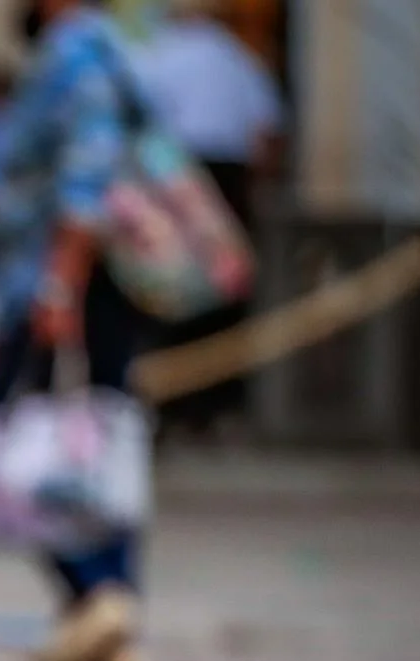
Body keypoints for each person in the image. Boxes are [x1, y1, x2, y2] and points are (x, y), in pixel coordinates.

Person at [0, 0, 152, 661]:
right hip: (65, 277)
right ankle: (100, 609)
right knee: (89, 439)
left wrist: (58, 286)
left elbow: (88, 177)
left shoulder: (80, 54)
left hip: (62, 279)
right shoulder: (95, 51)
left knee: (23, 434)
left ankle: (102, 594)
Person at [130, 0, 282, 433]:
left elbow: (139, 128)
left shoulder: (155, 56)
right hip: (224, 179)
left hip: (177, 178)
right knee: (222, 288)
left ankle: (171, 399)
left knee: (170, 287)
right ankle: (212, 402)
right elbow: (267, 134)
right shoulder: (239, 58)